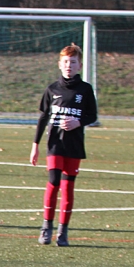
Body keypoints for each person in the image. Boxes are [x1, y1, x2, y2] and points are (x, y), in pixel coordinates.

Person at [30, 43, 97, 247]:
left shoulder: (85, 89)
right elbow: (43, 117)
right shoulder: (52, 89)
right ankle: (46, 228)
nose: (69, 65)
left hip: (74, 145)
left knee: (68, 187)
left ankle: (63, 231)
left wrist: (78, 122)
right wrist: (35, 144)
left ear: (79, 66)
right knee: (53, 182)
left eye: (73, 62)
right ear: (60, 64)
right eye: (66, 62)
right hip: (55, 144)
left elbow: (92, 115)